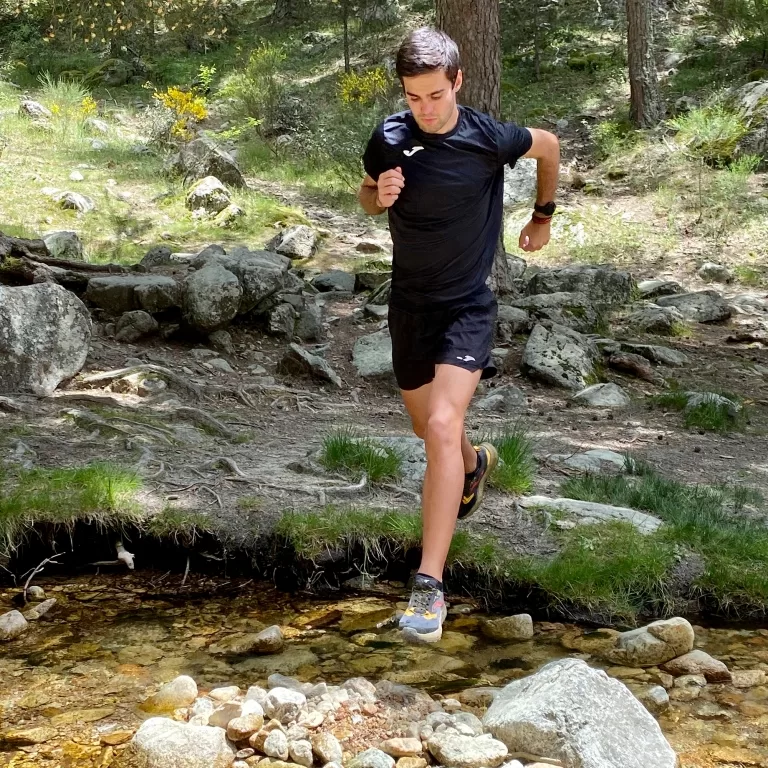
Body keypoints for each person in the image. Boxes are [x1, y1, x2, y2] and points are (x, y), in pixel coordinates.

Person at [358, 27, 560, 643]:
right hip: (409, 308)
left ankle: (429, 586)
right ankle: (473, 467)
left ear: (458, 82)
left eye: (436, 95)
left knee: (443, 427)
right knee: (430, 430)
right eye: (413, 96)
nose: (424, 108)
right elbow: (366, 193)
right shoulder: (389, 136)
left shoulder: (488, 137)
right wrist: (377, 196)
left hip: (468, 306)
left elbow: (550, 147)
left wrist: (543, 216)